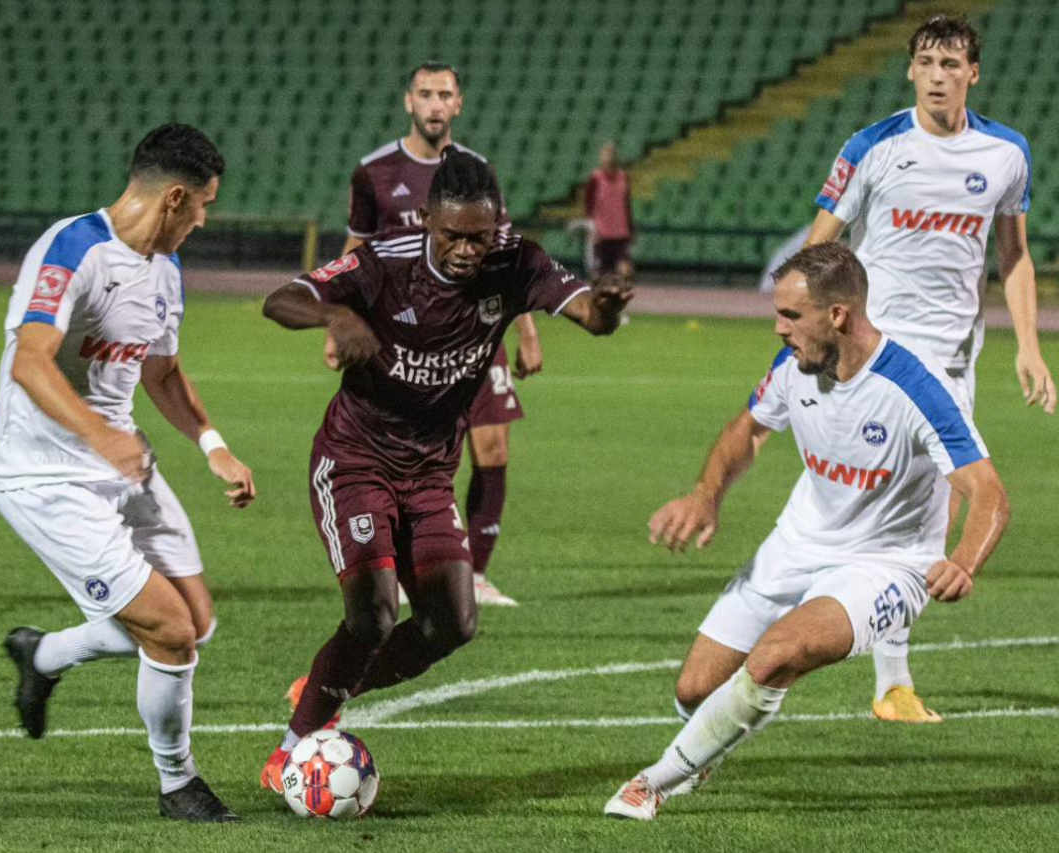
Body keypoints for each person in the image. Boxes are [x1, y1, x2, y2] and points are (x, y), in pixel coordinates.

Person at [260, 149, 633, 793]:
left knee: (453, 624)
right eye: (453, 235)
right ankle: (291, 752)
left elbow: (592, 317)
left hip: (430, 474)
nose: (466, 251)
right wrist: (336, 314)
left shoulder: (517, 261)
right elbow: (281, 299)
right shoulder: (385, 262)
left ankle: (329, 684)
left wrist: (607, 306)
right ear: (428, 220)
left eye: (479, 237)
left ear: (497, 226)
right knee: (374, 615)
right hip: (356, 460)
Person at [604, 242, 1009, 821]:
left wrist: (963, 562)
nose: (778, 328)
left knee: (777, 655)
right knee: (695, 692)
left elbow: (989, 492)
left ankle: (651, 784)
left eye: (791, 315)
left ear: (837, 314)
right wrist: (706, 494)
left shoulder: (917, 387)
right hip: (795, 542)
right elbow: (748, 428)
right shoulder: (794, 367)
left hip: (886, 563)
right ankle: (702, 749)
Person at [0, 123, 254, 823]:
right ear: (175, 198)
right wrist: (102, 435)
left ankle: (44, 655)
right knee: (169, 630)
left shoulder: (165, 270)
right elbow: (30, 362)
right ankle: (178, 783)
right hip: (43, 476)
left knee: (196, 622)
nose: (204, 220)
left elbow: (162, 372)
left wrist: (212, 443)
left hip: (120, 463)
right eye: (203, 205)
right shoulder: (72, 247)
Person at [808, 13, 1052, 723]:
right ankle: (884, 675)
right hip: (876, 354)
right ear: (910, 70)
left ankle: (882, 672)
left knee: (927, 514)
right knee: (908, 513)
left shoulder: (1006, 153)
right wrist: (810, 326)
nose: (937, 76)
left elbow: (1014, 256)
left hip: (952, 360)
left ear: (973, 73)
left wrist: (1029, 345)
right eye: (926, 62)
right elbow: (822, 242)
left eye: (951, 64)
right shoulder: (873, 146)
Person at [340, 61, 539, 608]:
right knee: (405, 456)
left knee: (493, 447)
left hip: (475, 331)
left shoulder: (477, 171)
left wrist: (527, 330)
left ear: (458, 103)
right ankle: (408, 569)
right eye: (425, 93)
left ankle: (476, 573)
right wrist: (339, 319)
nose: (434, 104)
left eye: (444, 94)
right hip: (403, 340)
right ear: (409, 101)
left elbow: (506, 252)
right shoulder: (374, 172)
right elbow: (355, 250)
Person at [583, 141, 636, 277]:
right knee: (599, 275)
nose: (609, 157)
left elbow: (627, 204)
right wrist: (591, 228)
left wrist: (631, 228)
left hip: (620, 232)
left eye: (612, 154)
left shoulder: (623, 177)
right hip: (602, 233)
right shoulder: (595, 178)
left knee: (625, 272)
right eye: (606, 154)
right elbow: (589, 205)